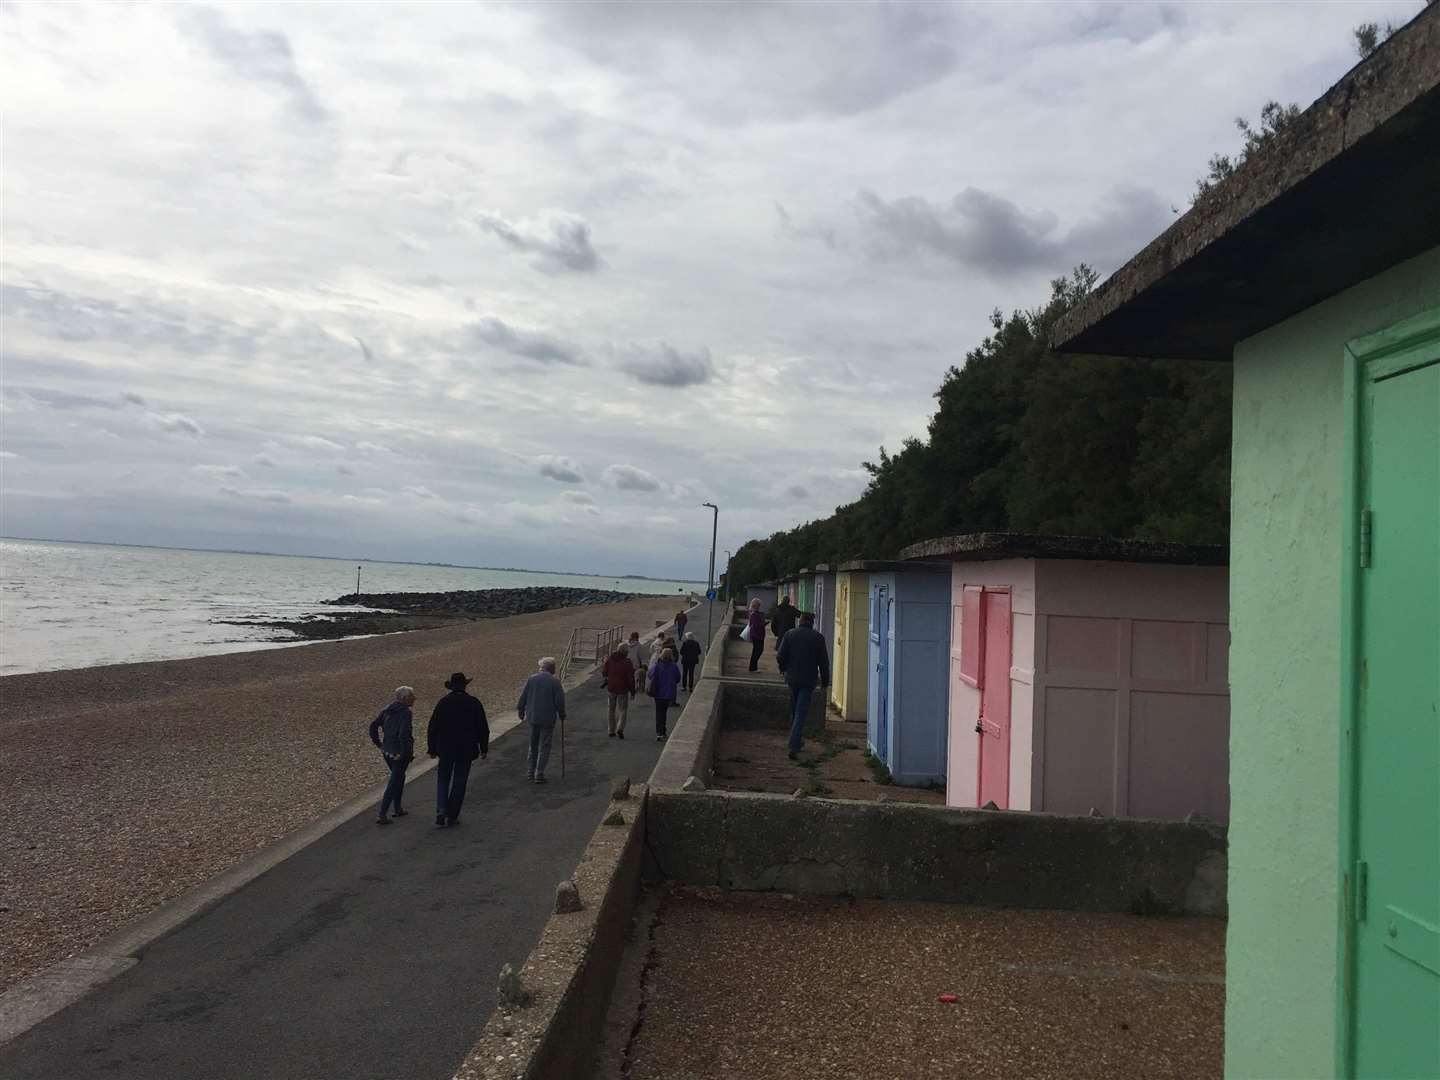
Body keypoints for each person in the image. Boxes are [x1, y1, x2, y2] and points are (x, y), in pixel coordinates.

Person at [427, 673, 489, 827]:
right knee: (459, 781)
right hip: (466, 748)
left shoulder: (443, 702)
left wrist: (432, 748)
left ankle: (441, 810)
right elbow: (483, 728)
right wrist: (484, 748)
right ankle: (452, 815)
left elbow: (433, 726)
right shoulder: (474, 702)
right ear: (465, 685)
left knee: (443, 779)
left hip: (446, 747)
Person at [776, 612, 831, 760]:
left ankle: (796, 740)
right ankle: (794, 744)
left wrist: (783, 668)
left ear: (800, 621)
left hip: (792, 678)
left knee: (795, 710)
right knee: (801, 712)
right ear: (812, 622)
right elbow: (824, 663)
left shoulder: (790, 634)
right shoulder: (818, 638)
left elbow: (780, 656)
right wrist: (825, 682)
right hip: (808, 680)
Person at [369, 685, 415, 825]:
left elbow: (373, 725)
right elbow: (403, 734)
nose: (415, 698)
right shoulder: (406, 713)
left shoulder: (388, 709)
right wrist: (406, 753)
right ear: (405, 698)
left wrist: (378, 743)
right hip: (398, 753)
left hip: (387, 751)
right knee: (395, 780)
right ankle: (382, 813)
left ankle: (397, 808)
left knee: (399, 777)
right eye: (412, 696)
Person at [518, 656, 566, 783]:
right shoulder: (555, 682)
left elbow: (523, 696)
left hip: (533, 716)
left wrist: (521, 710)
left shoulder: (531, 679)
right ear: (551, 668)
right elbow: (559, 701)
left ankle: (530, 771)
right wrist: (562, 714)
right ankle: (539, 773)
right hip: (547, 718)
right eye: (554, 667)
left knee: (533, 744)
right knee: (544, 745)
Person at [647, 646, 682, 740]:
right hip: (668, 693)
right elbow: (678, 678)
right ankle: (663, 731)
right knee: (664, 712)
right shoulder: (674, 666)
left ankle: (659, 732)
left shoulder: (657, 665)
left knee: (658, 712)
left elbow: (650, 674)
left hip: (657, 692)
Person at [602, 642, 635, 739]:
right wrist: (632, 692)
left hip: (611, 688)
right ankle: (620, 728)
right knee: (623, 709)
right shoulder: (627, 662)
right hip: (623, 689)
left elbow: (604, 673)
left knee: (611, 709)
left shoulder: (610, 659)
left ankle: (611, 730)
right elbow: (631, 679)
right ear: (625, 652)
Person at [745, 597, 767, 672]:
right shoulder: (754, 614)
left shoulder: (754, 613)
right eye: (759, 605)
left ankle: (753, 667)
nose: (759, 606)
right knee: (758, 650)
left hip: (757, 635)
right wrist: (763, 623)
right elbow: (756, 625)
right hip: (757, 635)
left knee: (756, 651)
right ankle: (753, 667)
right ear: (756, 605)